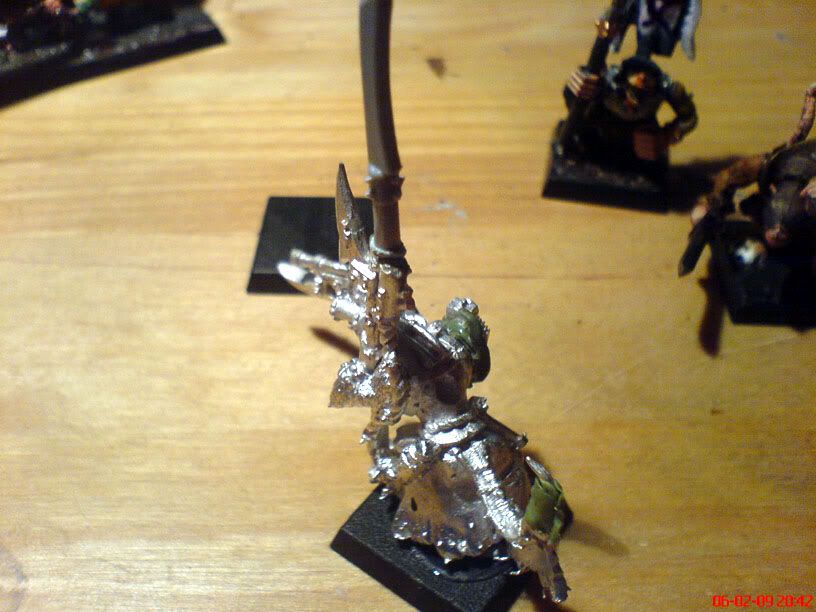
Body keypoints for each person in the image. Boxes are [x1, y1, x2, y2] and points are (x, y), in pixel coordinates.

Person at [563, 55, 697, 176]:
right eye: (632, 92)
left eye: (643, 93)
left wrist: (667, 135)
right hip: (602, 124)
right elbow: (573, 97)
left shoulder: (667, 89)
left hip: (638, 131)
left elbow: (689, 118)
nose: (634, 102)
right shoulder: (607, 82)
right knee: (581, 135)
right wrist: (578, 87)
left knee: (644, 160)